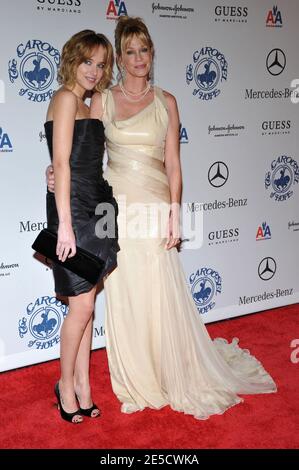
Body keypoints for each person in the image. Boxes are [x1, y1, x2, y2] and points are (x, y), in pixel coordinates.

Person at [48, 17, 277, 420]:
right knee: (123, 293)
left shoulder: (167, 101)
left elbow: (173, 164)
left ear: (153, 53)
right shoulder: (101, 99)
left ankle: (167, 368)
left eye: (145, 50)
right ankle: (134, 373)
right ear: (120, 58)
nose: (138, 59)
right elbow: (77, 151)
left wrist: (175, 211)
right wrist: (53, 173)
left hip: (154, 206)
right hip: (111, 208)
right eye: (130, 52)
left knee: (157, 289)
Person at [44, 30, 119, 423]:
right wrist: (66, 227)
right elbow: (60, 163)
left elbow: (83, 159)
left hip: (99, 207)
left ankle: (85, 385)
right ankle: (65, 385)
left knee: (87, 306)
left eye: (101, 64)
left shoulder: (92, 105)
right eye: (87, 61)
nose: (94, 70)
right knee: (82, 304)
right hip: (72, 210)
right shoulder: (65, 98)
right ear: (73, 59)